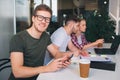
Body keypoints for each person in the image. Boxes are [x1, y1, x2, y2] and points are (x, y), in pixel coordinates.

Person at [9, 4, 73, 80]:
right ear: (33, 18)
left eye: (47, 19)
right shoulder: (18, 38)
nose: (44, 21)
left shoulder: (45, 36)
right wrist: (47, 68)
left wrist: (63, 59)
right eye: (40, 17)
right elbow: (17, 72)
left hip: (39, 77)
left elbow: (55, 53)